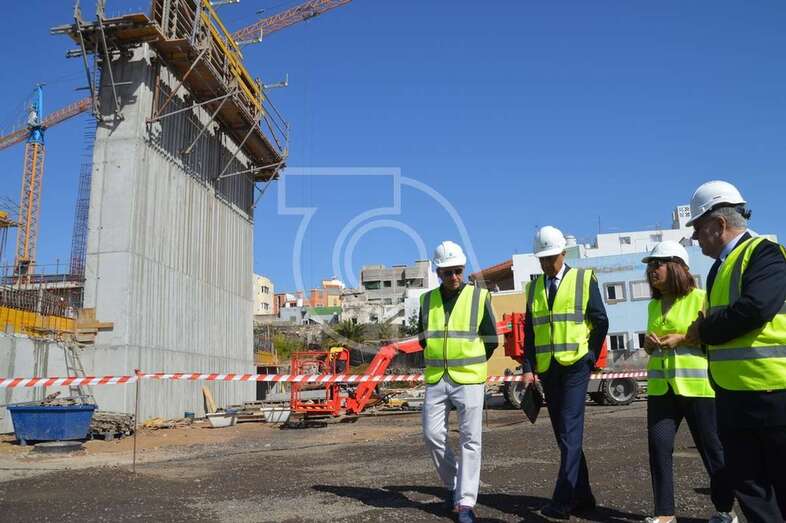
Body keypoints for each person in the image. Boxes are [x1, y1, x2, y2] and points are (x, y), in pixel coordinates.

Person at [684, 180, 786, 523]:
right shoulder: (719, 268)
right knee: (749, 486)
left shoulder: (766, 253)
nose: (695, 238)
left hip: (772, 395)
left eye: (698, 228)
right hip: (733, 395)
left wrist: (704, 330)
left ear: (718, 224)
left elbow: (756, 309)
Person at [641, 241, 736, 523]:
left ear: (678, 267)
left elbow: (711, 335)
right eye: (649, 266)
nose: (652, 270)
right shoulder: (652, 305)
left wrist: (681, 338)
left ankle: (725, 511)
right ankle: (664, 514)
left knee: (712, 450)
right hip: (661, 388)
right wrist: (648, 344)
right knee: (658, 448)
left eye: (657, 264)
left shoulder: (700, 298)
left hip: (697, 387)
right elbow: (650, 346)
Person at [522, 226, 608, 520]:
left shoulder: (583, 279)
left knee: (570, 431)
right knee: (563, 435)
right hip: (548, 369)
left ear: (563, 253)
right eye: (542, 259)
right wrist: (528, 368)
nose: (547, 264)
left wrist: (590, 356)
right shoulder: (533, 288)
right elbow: (530, 332)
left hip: (575, 367)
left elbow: (600, 321)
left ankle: (563, 500)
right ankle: (584, 496)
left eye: (551, 257)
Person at [418, 240, 498, 523]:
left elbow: (491, 340)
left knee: (471, 440)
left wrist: (470, 362)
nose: (453, 277)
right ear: (438, 272)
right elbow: (422, 339)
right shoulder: (426, 301)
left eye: (458, 271)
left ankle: (465, 502)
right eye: (447, 272)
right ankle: (454, 484)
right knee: (432, 434)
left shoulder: (479, 297)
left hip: (469, 380)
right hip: (437, 378)